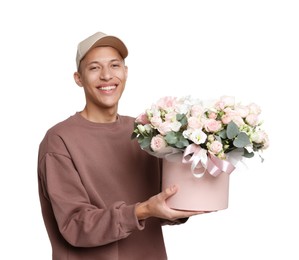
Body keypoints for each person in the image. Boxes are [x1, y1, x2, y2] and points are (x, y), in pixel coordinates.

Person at [37, 31, 208, 260]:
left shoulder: (144, 132)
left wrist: (192, 195)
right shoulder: (59, 140)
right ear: (78, 78)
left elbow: (161, 205)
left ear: (125, 73)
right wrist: (143, 210)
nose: (107, 75)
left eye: (114, 65)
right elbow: (75, 225)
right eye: (94, 68)